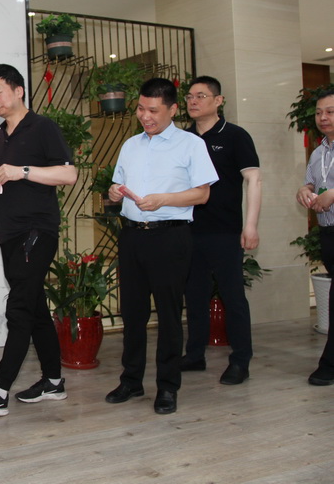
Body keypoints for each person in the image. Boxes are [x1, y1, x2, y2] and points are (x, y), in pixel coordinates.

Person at [0, 64, 77, 418]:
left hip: (36, 231)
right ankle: (53, 381)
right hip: (9, 234)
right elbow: (4, 181)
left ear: (19, 90)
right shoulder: (0, 137)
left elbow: (69, 174)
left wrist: (21, 171)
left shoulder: (43, 127)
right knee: (35, 306)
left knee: (19, 308)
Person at [105, 77, 217, 415]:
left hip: (170, 236)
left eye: (153, 110)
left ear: (172, 109)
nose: (145, 116)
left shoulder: (190, 144)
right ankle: (131, 380)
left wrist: (164, 199)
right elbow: (116, 185)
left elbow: (202, 193)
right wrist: (114, 192)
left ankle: (168, 386)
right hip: (132, 236)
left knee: (168, 314)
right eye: (141, 108)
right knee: (132, 312)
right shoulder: (130, 145)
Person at [182, 76, 261, 385]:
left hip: (226, 231)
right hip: (189, 230)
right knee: (194, 296)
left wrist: (250, 225)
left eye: (201, 96)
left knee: (233, 297)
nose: (193, 101)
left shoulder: (235, 136)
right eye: (189, 96)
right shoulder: (183, 138)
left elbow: (253, 179)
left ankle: (241, 360)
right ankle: (194, 355)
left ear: (218, 101)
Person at [296, 89, 334, 387]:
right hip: (328, 230)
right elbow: (310, 183)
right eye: (319, 112)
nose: (323, 117)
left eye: (330, 112)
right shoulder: (319, 152)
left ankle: (328, 364)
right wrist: (304, 191)